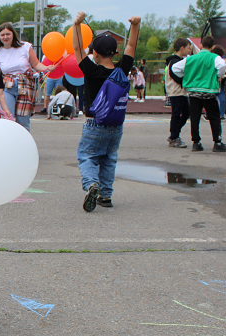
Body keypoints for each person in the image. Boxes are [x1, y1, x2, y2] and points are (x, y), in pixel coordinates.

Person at [73, 14, 141, 212]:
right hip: (116, 125)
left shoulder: (91, 71)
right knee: (109, 159)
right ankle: (106, 195)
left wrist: (76, 25)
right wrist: (135, 25)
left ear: (95, 53)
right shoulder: (121, 70)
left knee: (87, 156)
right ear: (113, 53)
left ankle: (91, 184)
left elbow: (77, 48)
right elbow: (132, 47)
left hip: (94, 123)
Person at [0, 23, 55, 131]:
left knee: (23, 121)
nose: (5, 37)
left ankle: (24, 145)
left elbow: (35, 64)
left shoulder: (25, 47)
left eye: (8, 34)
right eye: (2, 35)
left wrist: (46, 68)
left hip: (25, 86)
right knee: (6, 118)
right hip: (7, 87)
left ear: (13, 34)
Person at [171, 35, 226, 152]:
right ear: (213, 47)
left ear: (201, 45)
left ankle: (196, 143)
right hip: (208, 92)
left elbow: (175, 68)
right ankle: (217, 142)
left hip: (193, 92)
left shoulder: (191, 58)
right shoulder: (214, 57)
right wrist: (217, 75)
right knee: (214, 117)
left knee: (195, 118)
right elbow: (222, 66)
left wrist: (187, 76)